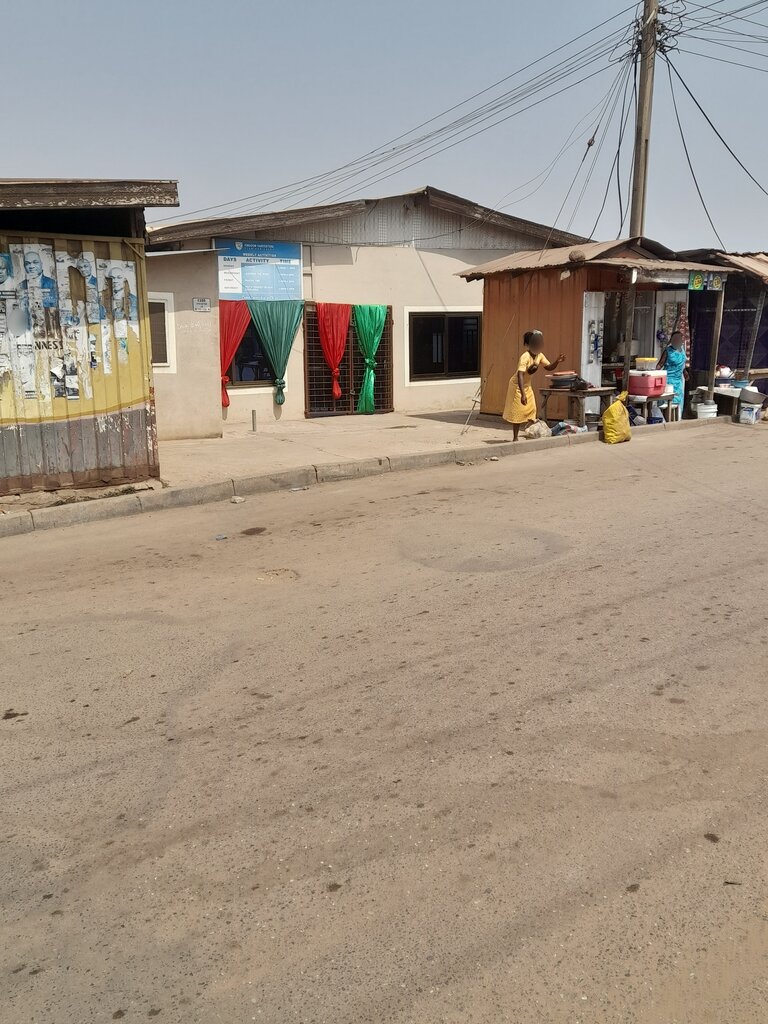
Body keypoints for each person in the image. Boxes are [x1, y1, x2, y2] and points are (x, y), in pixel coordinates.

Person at [503, 330, 565, 440]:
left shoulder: (539, 355)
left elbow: (549, 367)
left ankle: (531, 432)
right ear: (528, 345)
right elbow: (520, 375)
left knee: (531, 409)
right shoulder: (525, 357)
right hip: (517, 386)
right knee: (518, 411)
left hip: (527, 385)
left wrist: (557, 361)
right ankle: (515, 437)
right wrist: (522, 394)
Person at [657, 331, 688, 416]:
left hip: (678, 382)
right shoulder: (668, 351)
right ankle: (667, 422)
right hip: (668, 381)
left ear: (681, 340)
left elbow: (682, 365)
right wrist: (654, 374)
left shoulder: (682, 350)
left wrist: (685, 373)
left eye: (678, 339)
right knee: (668, 404)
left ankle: (676, 422)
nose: (676, 341)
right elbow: (660, 364)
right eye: (674, 339)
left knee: (678, 404)